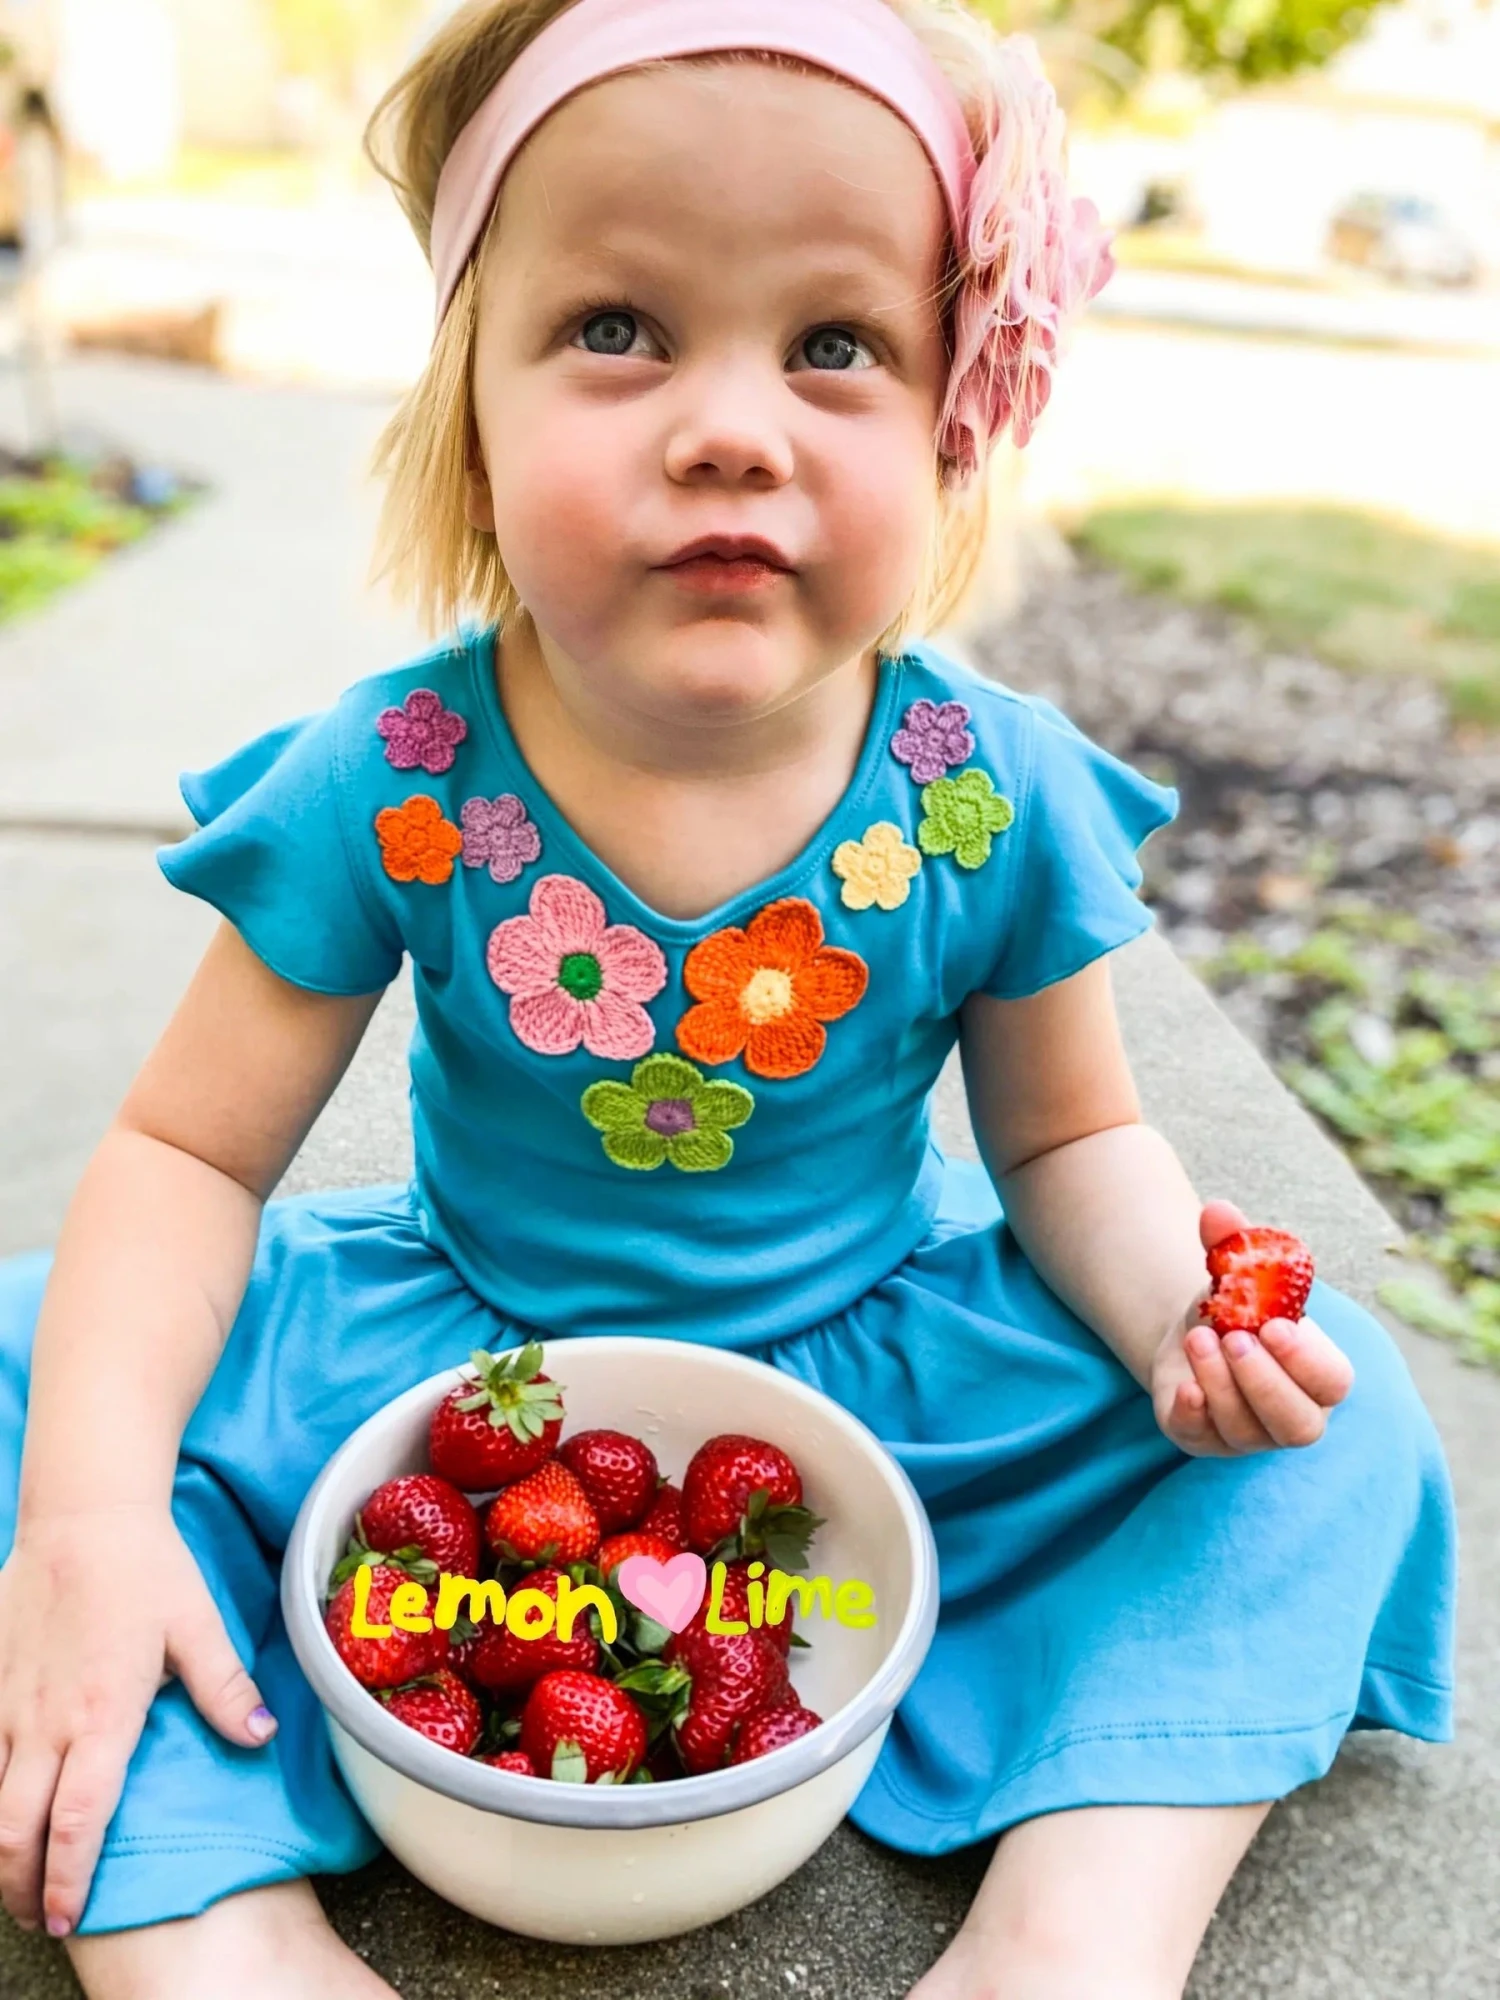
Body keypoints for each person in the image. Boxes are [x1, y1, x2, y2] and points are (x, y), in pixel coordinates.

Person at [0, 1, 1455, 1994]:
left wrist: (1168, 1317)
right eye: (618, 327)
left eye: (836, 343)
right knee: (43, 1377)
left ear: (958, 411)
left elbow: (1071, 1131)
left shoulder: (981, 787)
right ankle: (216, 1917)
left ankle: (1075, 1920)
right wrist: (90, 1507)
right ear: (472, 405)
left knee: (1339, 1429)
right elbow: (183, 1150)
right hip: (463, 1387)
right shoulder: (399, 772)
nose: (728, 422)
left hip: (885, 1390)